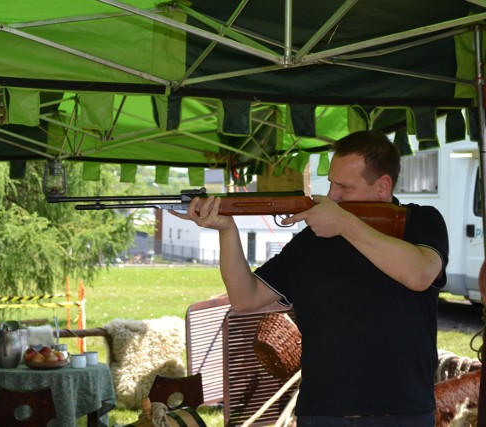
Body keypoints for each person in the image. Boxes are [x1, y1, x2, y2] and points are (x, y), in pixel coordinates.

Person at [170, 130, 449, 426]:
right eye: (331, 183)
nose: (332, 196)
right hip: (322, 410)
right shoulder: (315, 238)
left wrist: (344, 224)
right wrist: (227, 231)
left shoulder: (420, 221)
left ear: (383, 186)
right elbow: (245, 298)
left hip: (400, 411)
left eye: (344, 187)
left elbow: (420, 273)